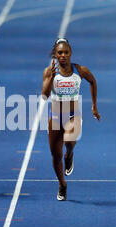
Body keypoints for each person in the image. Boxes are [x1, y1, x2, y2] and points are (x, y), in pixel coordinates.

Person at [41, 38, 101, 201]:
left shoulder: (80, 70)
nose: (63, 55)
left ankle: (70, 155)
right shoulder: (49, 71)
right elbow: (45, 95)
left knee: (69, 141)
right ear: (55, 54)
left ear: (70, 53)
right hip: (55, 116)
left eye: (66, 52)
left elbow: (93, 82)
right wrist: (51, 78)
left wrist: (94, 106)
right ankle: (62, 184)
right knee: (55, 155)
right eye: (59, 52)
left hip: (73, 114)